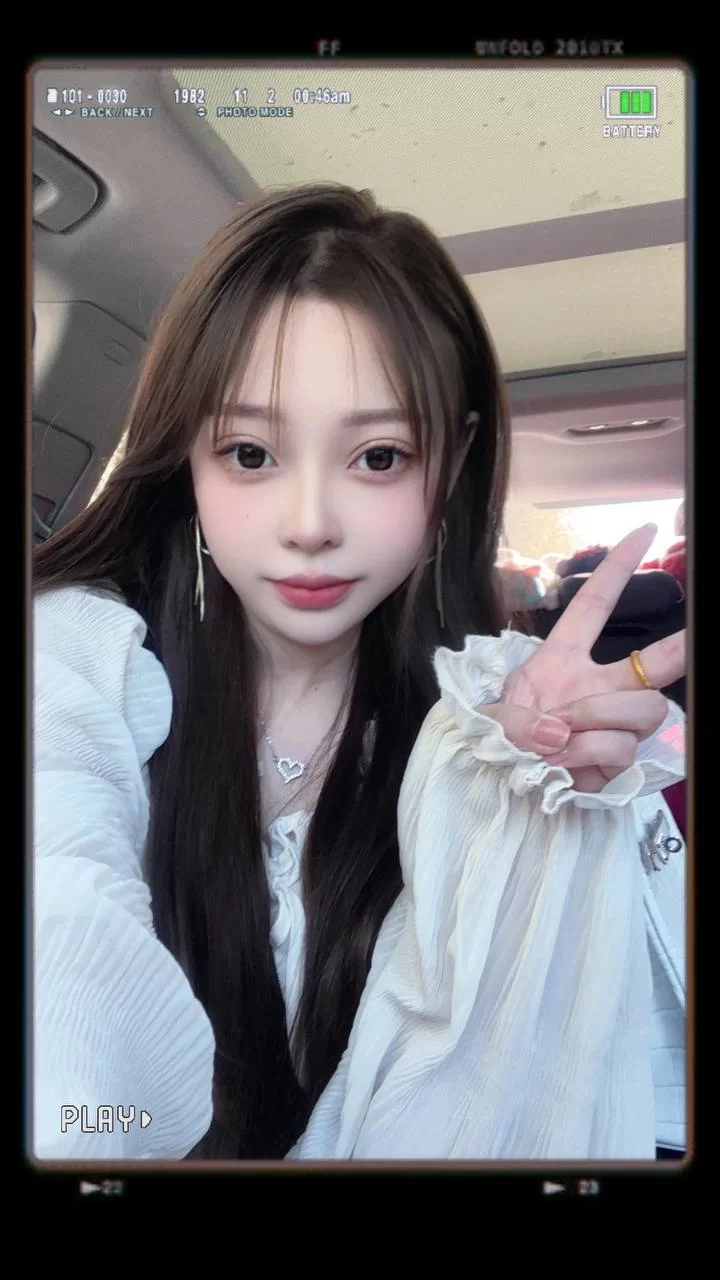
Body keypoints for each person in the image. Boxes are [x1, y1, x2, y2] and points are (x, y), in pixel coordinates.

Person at [33, 183, 687, 1162]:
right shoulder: (72, 658)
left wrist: (520, 834)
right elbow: (58, 923)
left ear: (451, 465)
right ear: (186, 460)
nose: (310, 523)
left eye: (378, 456)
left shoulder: (504, 735)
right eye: (249, 451)